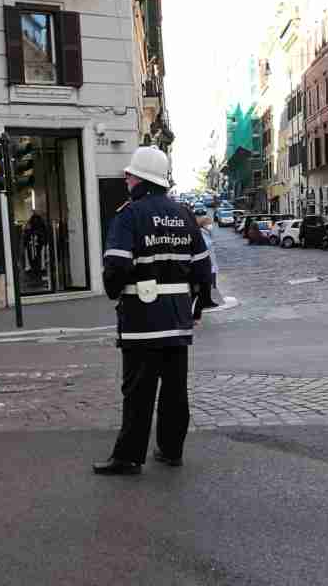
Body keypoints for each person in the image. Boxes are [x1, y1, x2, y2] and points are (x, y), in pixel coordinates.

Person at [93, 146, 211, 476]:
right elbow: (203, 271)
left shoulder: (129, 215)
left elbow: (116, 265)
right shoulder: (184, 215)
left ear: (140, 180)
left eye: (129, 175)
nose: (126, 179)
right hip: (176, 321)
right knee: (175, 391)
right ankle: (171, 450)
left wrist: (113, 291)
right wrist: (196, 309)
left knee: (138, 392)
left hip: (141, 322)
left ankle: (129, 457)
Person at [192, 214, 219, 320]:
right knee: (205, 287)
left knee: (209, 285)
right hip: (204, 262)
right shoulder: (201, 233)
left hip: (210, 261)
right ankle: (197, 313)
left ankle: (207, 301)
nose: (211, 225)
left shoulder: (207, 232)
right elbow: (206, 245)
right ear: (204, 224)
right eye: (209, 223)